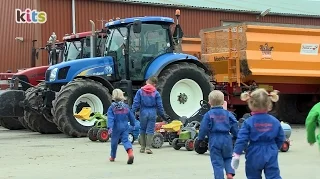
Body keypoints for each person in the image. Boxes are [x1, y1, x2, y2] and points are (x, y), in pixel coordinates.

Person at [231, 88, 285, 179]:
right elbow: (281, 137)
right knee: (273, 175)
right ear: (269, 104)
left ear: (251, 104)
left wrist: (237, 154)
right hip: (271, 150)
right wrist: (276, 147)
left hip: (253, 151)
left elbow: (242, 139)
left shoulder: (248, 122)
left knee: (253, 175)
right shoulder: (275, 121)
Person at [197, 90, 239, 179]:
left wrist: (200, 139)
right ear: (223, 102)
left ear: (209, 102)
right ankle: (230, 173)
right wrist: (236, 135)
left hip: (214, 139)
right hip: (227, 139)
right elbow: (234, 124)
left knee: (217, 163)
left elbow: (203, 128)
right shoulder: (228, 114)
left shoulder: (208, 115)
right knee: (228, 158)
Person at [131, 76, 168, 154]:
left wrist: (132, 112)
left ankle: (142, 148)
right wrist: (163, 116)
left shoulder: (140, 91)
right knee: (150, 130)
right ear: (154, 84)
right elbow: (160, 106)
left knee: (142, 129)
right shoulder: (156, 93)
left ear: (148, 81)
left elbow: (136, 103)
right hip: (152, 112)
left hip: (143, 111)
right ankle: (148, 148)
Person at [107, 89, 136, 164]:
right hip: (125, 127)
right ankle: (130, 153)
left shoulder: (112, 108)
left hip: (116, 128)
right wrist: (133, 124)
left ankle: (112, 156)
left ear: (113, 97)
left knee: (114, 142)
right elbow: (131, 116)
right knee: (126, 140)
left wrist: (110, 128)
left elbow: (110, 119)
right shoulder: (126, 107)